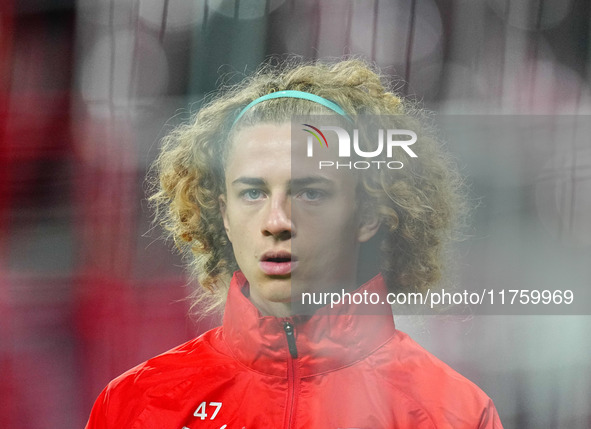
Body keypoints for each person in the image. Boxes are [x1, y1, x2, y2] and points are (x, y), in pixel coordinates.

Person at [85, 59, 503, 428]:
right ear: (224, 215)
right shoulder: (136, 404)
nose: (277, 222)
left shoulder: (452, 414)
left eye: (309, 193)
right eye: (253, 193)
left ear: (368, 214)